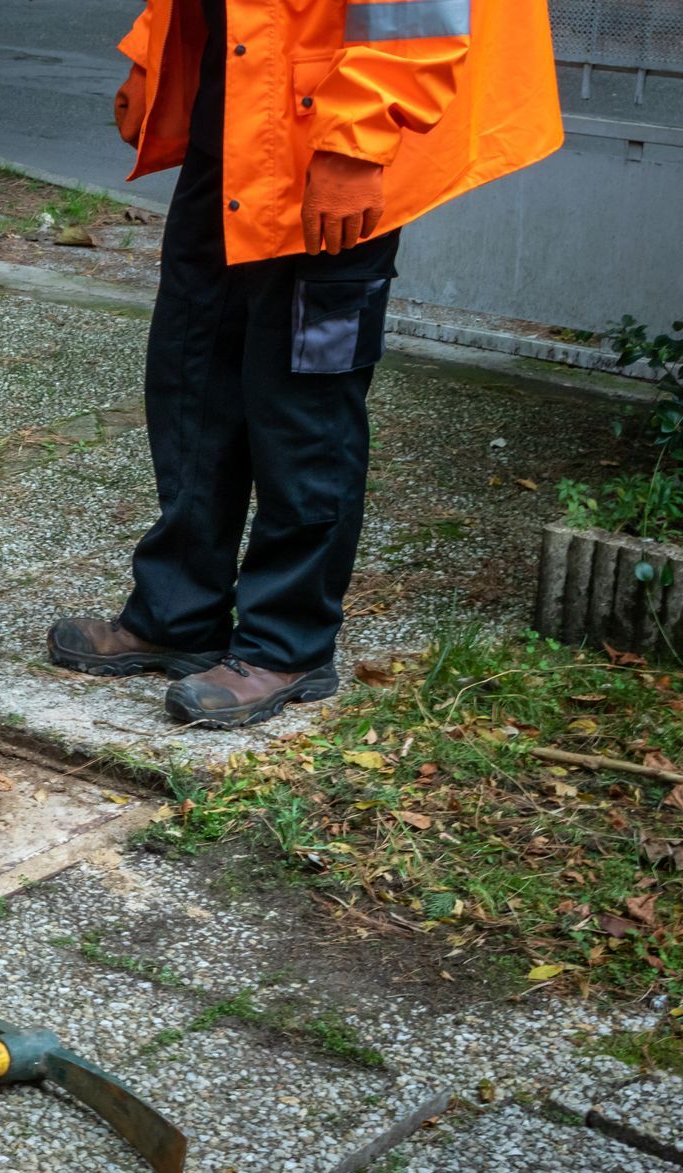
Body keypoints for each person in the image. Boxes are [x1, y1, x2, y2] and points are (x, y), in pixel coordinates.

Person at [48, 0, 562, 727]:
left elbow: (414, 15)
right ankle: (177, 614)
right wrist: (153, 58)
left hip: (333, 136)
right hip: (238, 106)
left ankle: (286, 645)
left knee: (305, 408)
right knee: (192, 374)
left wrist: (357, 144)